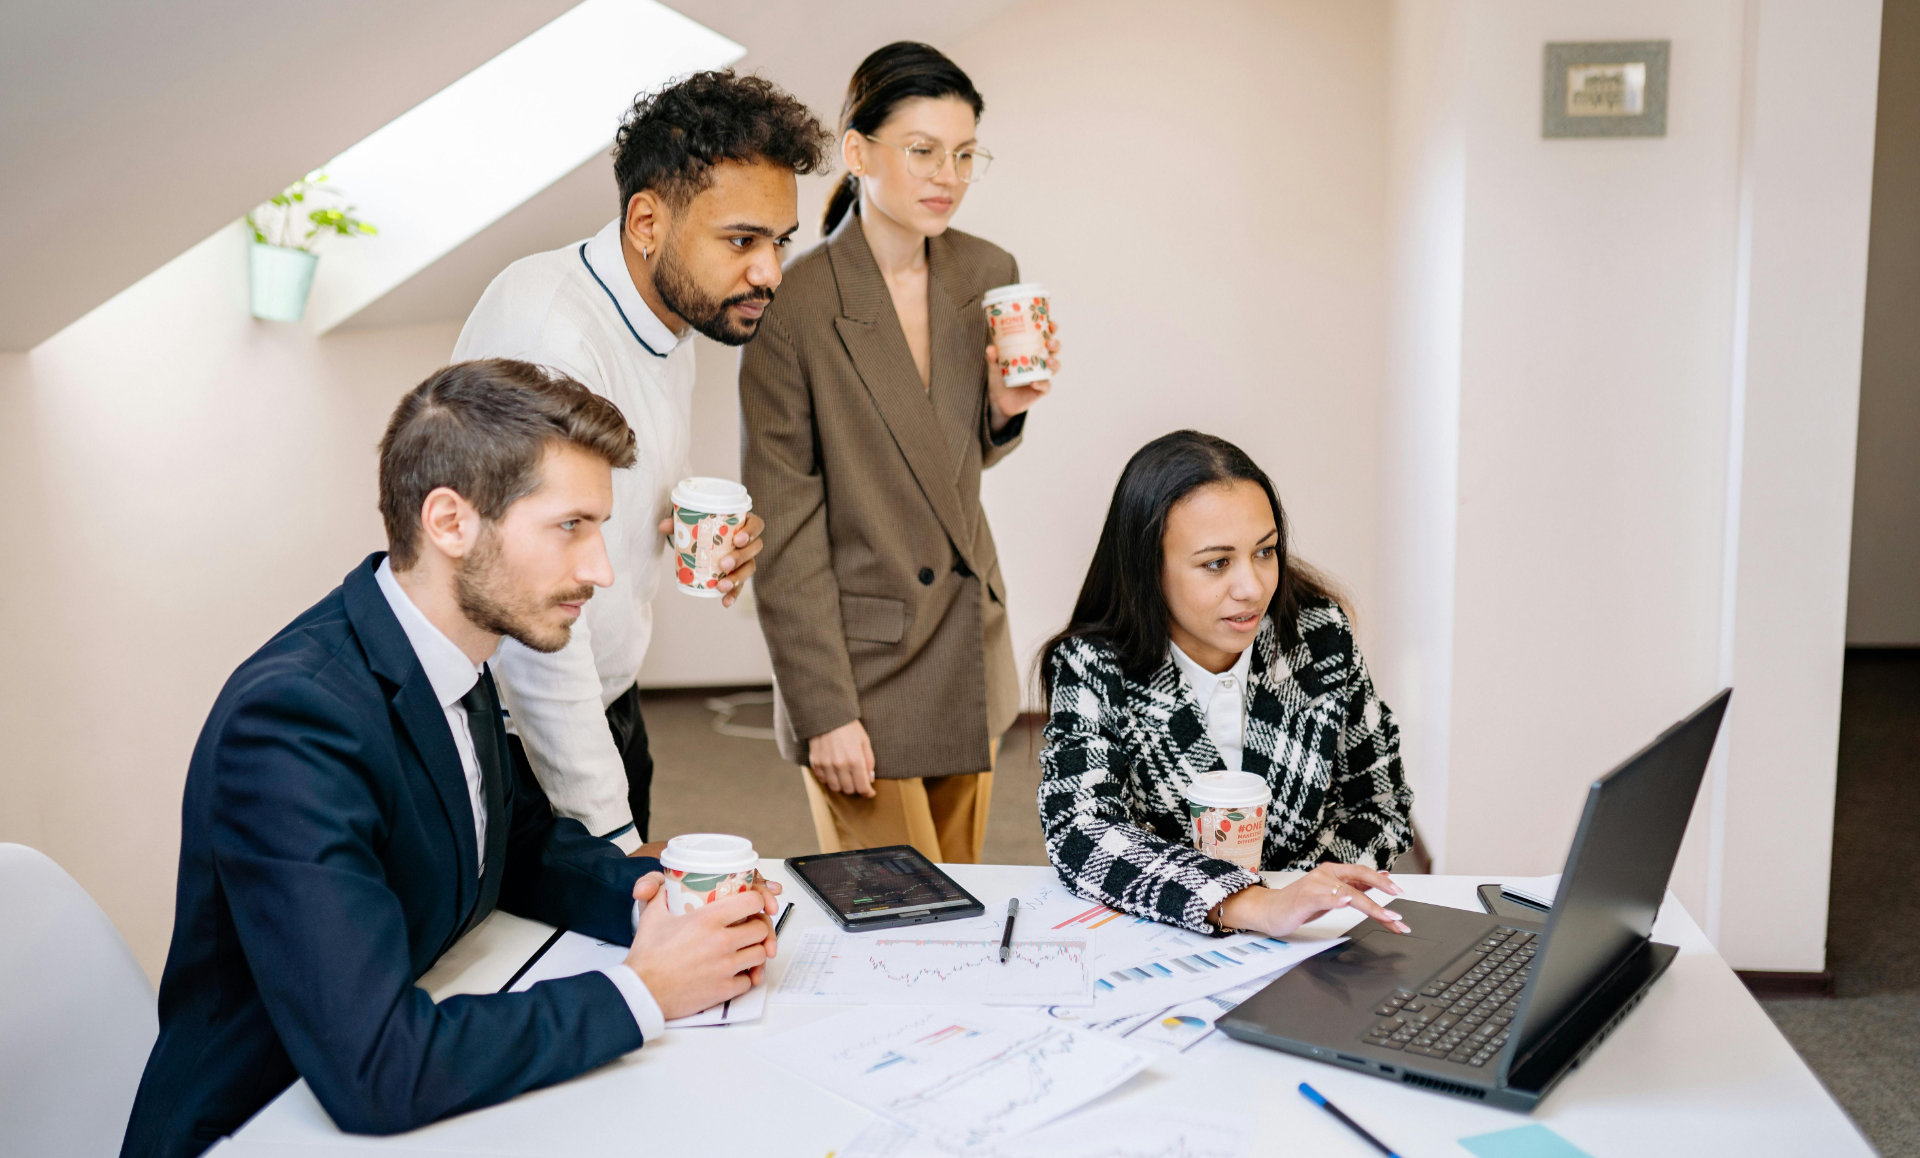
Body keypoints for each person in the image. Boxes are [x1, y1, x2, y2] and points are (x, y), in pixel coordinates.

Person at [120, 361, 781, 1158]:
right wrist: (643, 989)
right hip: (261, 1125)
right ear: (450, 522)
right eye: (571, 526)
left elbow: (517, 843)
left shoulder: (449, 654)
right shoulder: (293, 725)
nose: (600, 570)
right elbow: (376, 1068)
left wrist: (655, 902)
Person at [453, 71, 831, 850]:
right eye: (742, 241)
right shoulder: (550, 336)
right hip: (524, 735)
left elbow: (604, 499)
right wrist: (613, 836)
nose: (770, 273)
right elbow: (531, 623)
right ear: (647, 221)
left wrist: (691, 533)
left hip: (610, 704)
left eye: (780, 242)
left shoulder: (672, 314)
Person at [740, 42, 1060, 863]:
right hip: (861, 668)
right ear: (858, 153)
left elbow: (937, 474)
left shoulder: (987, 272)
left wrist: (1001, 408)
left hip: (964, 641)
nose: (944, 175)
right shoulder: (795, 304)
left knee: (963, 905)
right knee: (895, 921)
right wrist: (822, 709)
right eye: (921, 151)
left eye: (962, 154)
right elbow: (785, 526)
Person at [1037, 431, 1414, 937]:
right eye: (1216, 563)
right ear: (1148, 569)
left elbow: (1379, 804)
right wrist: (1250, 904)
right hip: (1161, 940)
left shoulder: (1317, 637)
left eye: (1265, 552)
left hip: (1312, 941)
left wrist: (1306, 893)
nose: (1252, 587)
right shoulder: (1093, 664)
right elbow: (1080, 831)